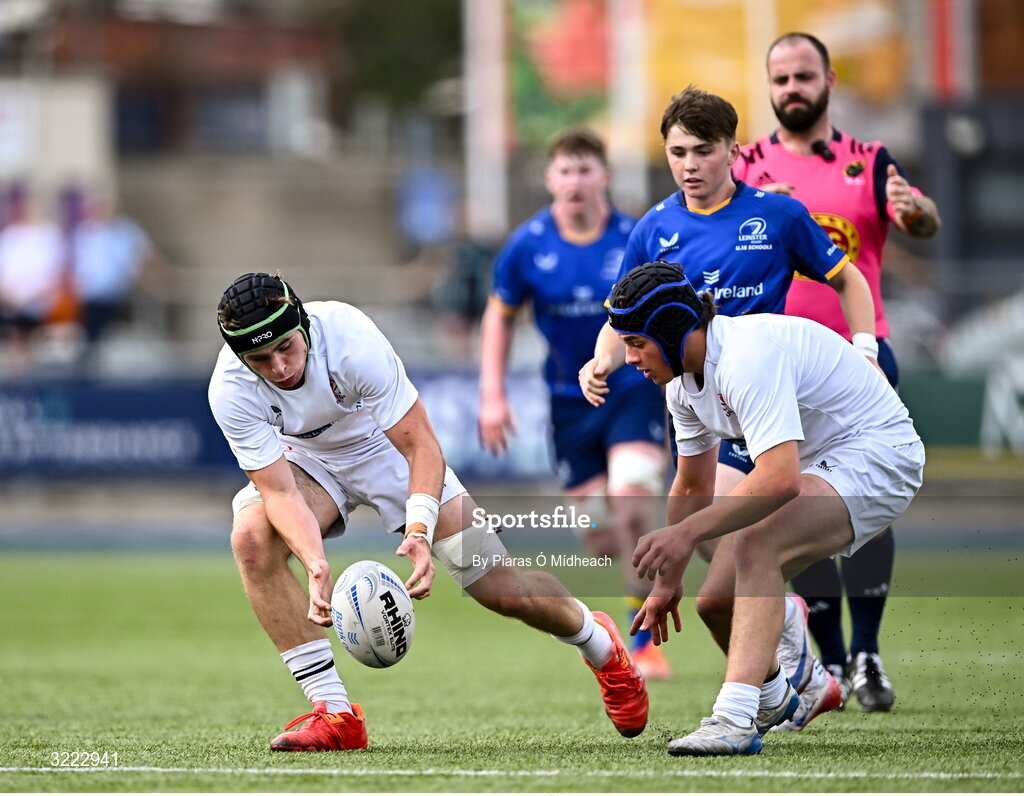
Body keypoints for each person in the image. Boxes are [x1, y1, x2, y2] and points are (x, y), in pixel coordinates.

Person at [208, 272, 648, 752]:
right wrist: (314, 561)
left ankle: (600, 645)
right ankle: (333, 713)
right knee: (251, 538)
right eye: (259, 359)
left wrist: (418, 529)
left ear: (304, 325)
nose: (278, 368)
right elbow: (280, 493)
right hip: (306, 461)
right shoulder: (230, 389)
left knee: (502, 590)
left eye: (286, 348)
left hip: (388, 450)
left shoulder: (348, 337)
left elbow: (421, 446)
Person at [580, 85, 879, 725]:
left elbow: (848, 277)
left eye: (703, 151)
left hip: (766, 402)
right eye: (677, 152)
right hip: (701, 402)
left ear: (732, 151)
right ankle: (796, 663)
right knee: (724, 559)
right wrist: (602, 358)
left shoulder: (777, 215)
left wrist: (866, 348)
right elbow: (621, 312)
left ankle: (767, 684)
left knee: (743, 546)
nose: (689, 164)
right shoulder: (654, 227)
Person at [607, 261, 924, 756]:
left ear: (672, 331)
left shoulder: (745, 357)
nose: (628, 358)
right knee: (715, 605)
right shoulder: (679, 384)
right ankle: (786, 696)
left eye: (636, 343)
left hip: (879, 453)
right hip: (825, 459)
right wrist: (670, 579)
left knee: (757, 544)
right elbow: (691, 485)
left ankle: (734, 720)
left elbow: (779, 478)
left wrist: (686, 536)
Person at [731, 32, 941, 713]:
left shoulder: (869, 161)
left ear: (828, 81)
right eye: (781, 78)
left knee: (866, 511)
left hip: (861, 358)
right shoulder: (746, 165)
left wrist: (920, 214)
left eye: (804, 76)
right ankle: (833, 656)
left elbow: (923, 221)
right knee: (798, 508)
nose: (792, 88)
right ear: (769, 87)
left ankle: (869, 653)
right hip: (778, 369)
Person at [478, 128, 671, 679]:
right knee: (601, 536)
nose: (575, 181)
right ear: (550, 179)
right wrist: (492, 394)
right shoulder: (527, 244)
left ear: (604, 177)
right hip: (568, 405)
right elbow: (499, 316)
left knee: (633, 500)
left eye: (586, 170)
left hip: (631, 390)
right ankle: (622, 595)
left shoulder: (634, 237)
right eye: (565, 171)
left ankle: (642, 640)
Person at [70, 192, 161, 349]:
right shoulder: (84, 232)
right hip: (88, 295)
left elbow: (146, 254)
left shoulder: (125, 230)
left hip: (116, 294)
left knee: (111, 334)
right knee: (90, 334)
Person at [0, 187, 67, 375]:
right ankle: (15, 379)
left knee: (30, 339)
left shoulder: (50, 235)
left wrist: (32, 296)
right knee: (15, 339)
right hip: (10, 301)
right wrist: (8, 295)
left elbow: (55, 272)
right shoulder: (9, 235)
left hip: (38, 302)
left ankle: (27, 379)